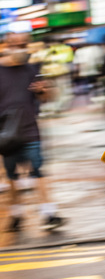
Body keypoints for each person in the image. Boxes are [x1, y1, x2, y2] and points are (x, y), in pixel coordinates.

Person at [0, 32, 64, 232]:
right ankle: (16, 214)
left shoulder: (31, 69)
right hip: (6, 132)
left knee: (38, 170)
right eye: (16, 44)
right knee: (12, 177)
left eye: (24, 44)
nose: (21, 47)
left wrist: (44, 91)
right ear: (7, 46)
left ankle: (49, 213)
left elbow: (48, 97)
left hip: (30, 130)